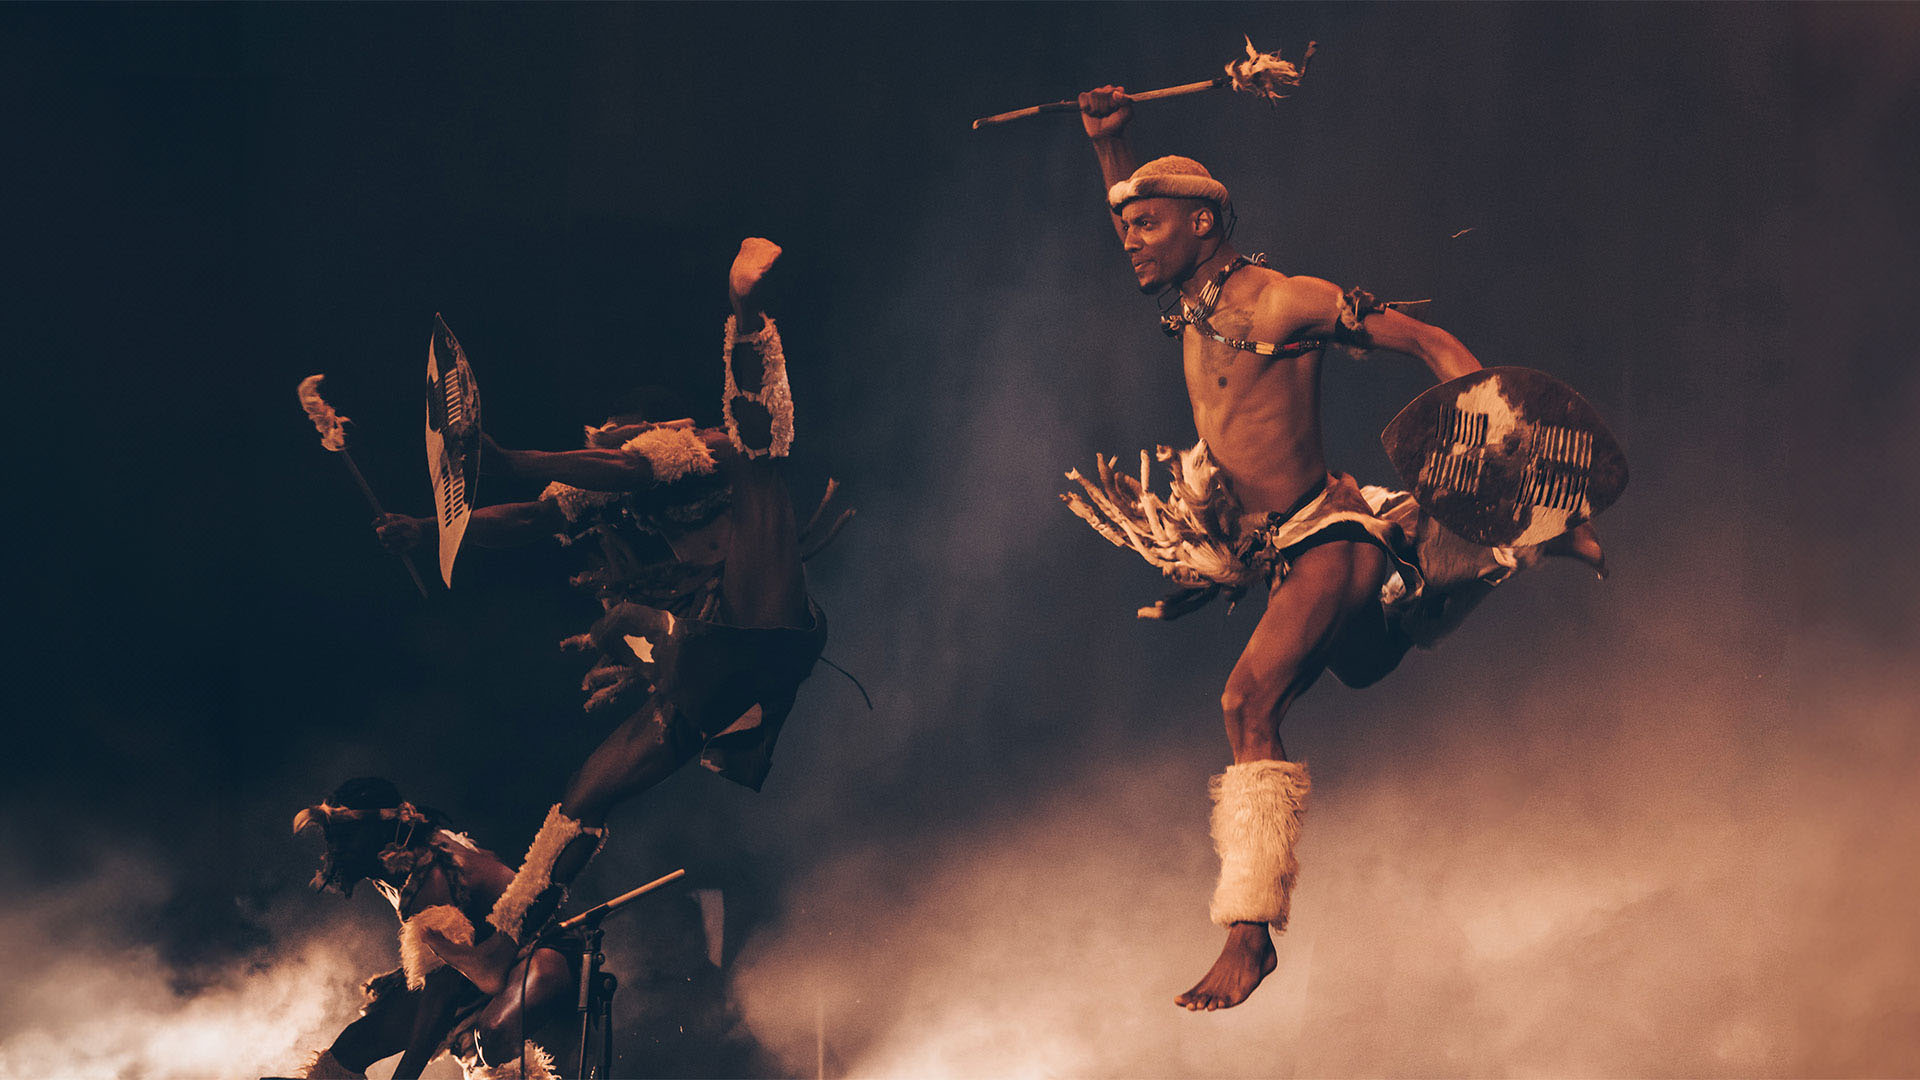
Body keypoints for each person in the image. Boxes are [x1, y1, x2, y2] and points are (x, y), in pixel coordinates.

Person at [1066, 87, 1607, 1012]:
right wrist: (1115, 148)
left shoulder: (1278, 301)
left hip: (1330, 538)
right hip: (1292, 550)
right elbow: (1129, 213)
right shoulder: (1195, 299)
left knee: (1246, 702)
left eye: (1150, 225)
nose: (1132, 240)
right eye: (1128, 228)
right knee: (1362, 669)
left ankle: (1249, 933)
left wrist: (1500, 455)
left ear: (1204, 223)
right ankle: (1481, 557)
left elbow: (1430, 340)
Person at [374, 238, 844, 989]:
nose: (593, 436)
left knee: (758, 480)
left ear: (648, 426)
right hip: (707, 669)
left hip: (759, 619)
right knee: (586, 793)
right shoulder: (609, 483)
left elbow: (627, 465)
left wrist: (516, 457)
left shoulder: (701, 448)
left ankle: (745, 311)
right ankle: (500, 946)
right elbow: (533, 518)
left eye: (607, 429)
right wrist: (431, 530)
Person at [287, 777, 573, 1080]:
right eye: (332, 837)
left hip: (538, 953)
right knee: (351, 1049)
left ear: (384, 831)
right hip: (471, 974)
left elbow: (442, 995)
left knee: (491, 1040)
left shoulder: (431, 878)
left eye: (346, 836)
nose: (335, 849)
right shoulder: (395, 860)